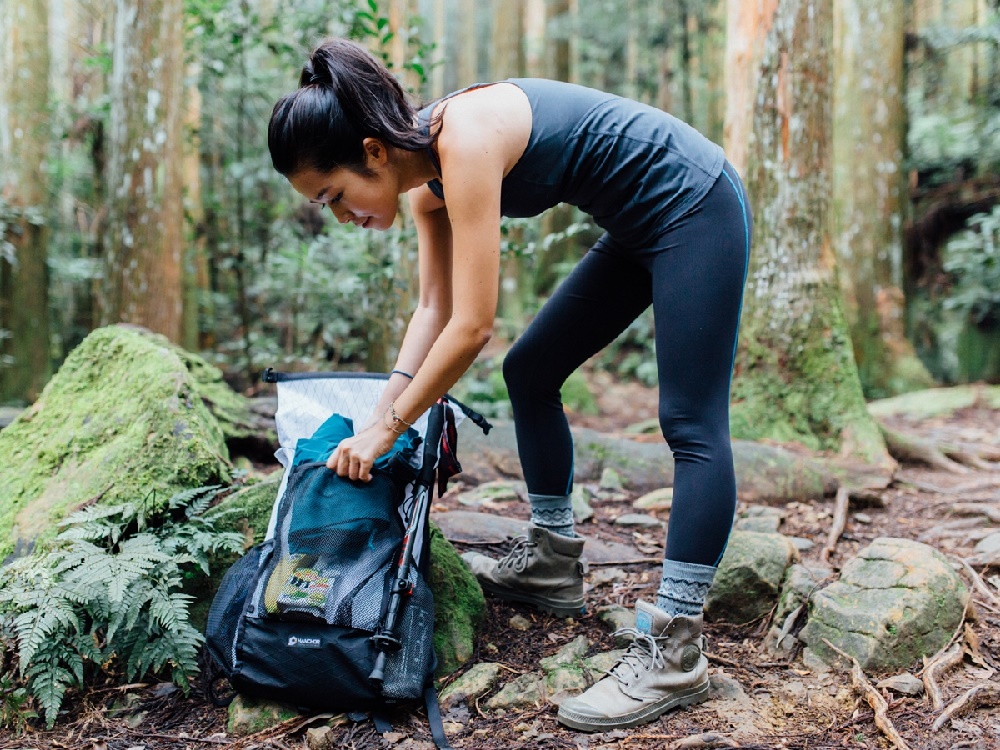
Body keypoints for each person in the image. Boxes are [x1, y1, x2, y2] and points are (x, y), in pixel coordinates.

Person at [268, 38, 751, 733]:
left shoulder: (461, 141)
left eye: (334, 196)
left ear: (373, 151)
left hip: (696, 204)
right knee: (531, 371)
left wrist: (390, 427)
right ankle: (553, 561)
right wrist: (381, 413)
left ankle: (676, 650)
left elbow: (472, 326)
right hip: (636, 225)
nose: (341, 216)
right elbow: (432, 311)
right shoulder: (424, 182)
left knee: (690, 423)